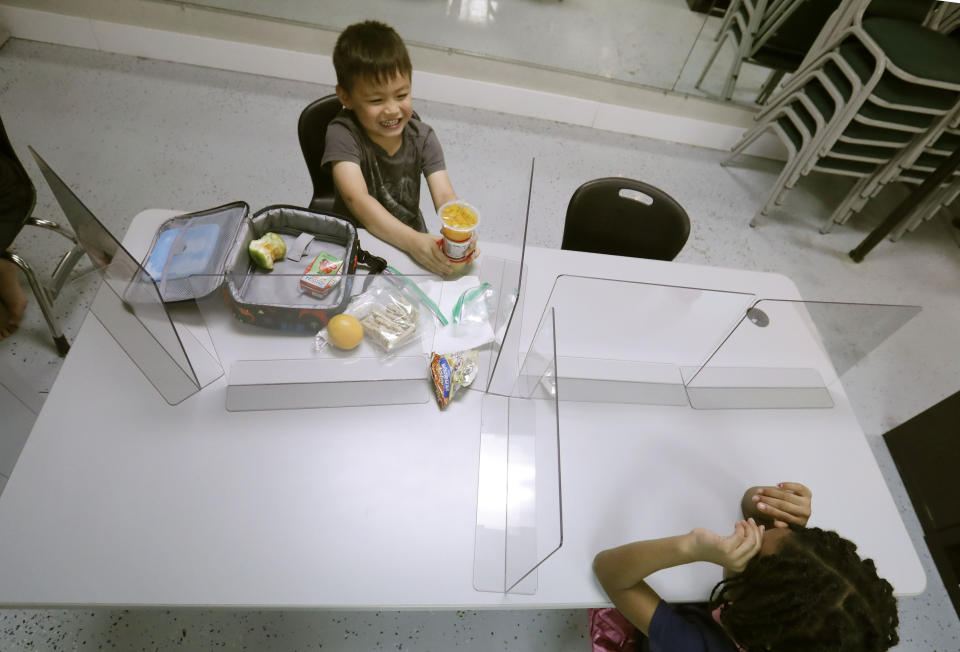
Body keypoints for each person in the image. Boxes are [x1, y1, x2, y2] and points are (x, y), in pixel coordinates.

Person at [592, 482, 900, 651]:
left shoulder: (695, 645)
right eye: (792, 532)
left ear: (747, 601)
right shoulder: (790, 617)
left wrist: (689, 547)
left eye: (753, 547)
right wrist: (768, 504)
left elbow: (609, 572)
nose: (752, 528)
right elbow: (749, 505)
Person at [322, 20, 468, 276]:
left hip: (410, 237)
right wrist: (413, 242)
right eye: (376, 100)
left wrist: (462, 233)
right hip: (359, 240)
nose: (392, 109)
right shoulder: (342, 134)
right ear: (345, 98)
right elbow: (359, 200)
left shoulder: (423, 137)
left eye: (401, 95)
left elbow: (445, 198)